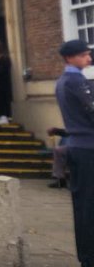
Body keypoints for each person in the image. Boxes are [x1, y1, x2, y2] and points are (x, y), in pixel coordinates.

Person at [55, 39, 93, 266]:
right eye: (84, 55)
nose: (88, 58)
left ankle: (87, 256)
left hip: (78, 146)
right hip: (88, 149)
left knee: (83, 204)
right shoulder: (75, 81)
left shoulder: (63, 81)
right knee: (88, 206)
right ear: (70, 57)